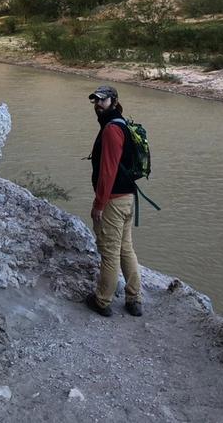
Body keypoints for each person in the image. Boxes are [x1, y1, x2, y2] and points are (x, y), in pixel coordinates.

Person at [85, 84, 143, 318]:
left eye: (103, 100)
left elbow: (108, 171)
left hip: (114, 201)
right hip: (128, 198)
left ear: (114, 101)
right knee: (126, 249)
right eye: (95, 100)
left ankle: (102, 301)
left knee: (110, 252)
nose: (98, 104)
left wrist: (99, 204)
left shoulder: (111, 129)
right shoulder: (121, 124)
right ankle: (134, 299)